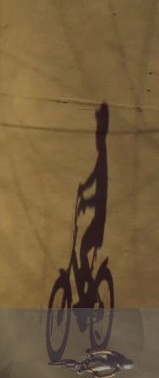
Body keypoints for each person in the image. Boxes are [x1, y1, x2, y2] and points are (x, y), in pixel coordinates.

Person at [74, 103, 109, 307]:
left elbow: (101, 196)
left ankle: (89, 298)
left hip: (99, 222)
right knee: (83, 253)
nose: (96, 136)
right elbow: (93, 178)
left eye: (98, 131)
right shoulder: (101, 157)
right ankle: (88, 295)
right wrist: (83, 188)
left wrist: (86, 201)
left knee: (81, 252)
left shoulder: (103, 158)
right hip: (98, 221)